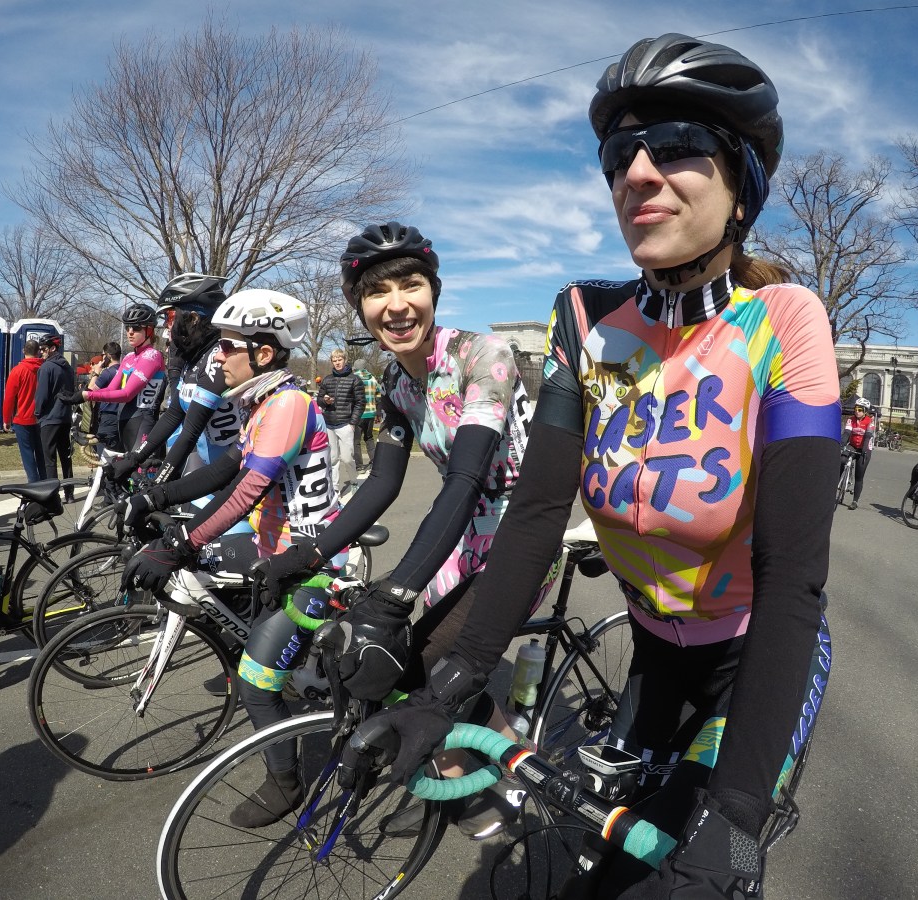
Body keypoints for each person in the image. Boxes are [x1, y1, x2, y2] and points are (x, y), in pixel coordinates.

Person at [337, 35, 840, 899]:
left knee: (708, 869)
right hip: (653, 649)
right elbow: (535, 514)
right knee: (594, 877)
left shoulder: (785, 322)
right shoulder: (583, 316)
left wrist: (741, 815)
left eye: (677, 146)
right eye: (619, 155)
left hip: (753, 664)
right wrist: (447, 687)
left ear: (742, 183)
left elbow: (793, 579)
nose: (637, 173)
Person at [255, 222, 537, 839]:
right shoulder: (393, 381)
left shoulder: (482, 355)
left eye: (411, 285)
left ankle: (504, 788)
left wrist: (397, 593)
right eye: (378, 292)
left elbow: (465, 478)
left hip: (521, 535)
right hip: (464, 535)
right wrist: (304, 554)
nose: (397, 304)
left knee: (427, 667)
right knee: (404, 662)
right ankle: (466, 762)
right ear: (360, 305)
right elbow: (381, 486)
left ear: (433, 292)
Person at [117, 288, 342, 828]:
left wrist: (179, 544)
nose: (218, 355)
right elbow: (223, 472)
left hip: (312, 563)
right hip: (277, 556)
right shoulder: (262, 400)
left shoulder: (288, 404)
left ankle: (287, 783)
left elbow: (247, 491)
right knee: (251, 645)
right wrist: (157, 497)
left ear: (264, 353)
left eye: (229, 345)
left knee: (257, 682)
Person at [106, 273, 242, 486]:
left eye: (170, 317)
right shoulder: (195, 358)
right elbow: (173, 414)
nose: (167, 326)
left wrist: (159, 484)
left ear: (194, 318)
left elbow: (190, 431)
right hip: (209, 464)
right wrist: (135, 458)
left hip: (230, 473)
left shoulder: (217, 358)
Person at [64, 304, 165, 451]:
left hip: (142, 420)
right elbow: (111, 389)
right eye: (127, 327)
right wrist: (79, 395)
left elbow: (126, 394)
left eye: (136, 328)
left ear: (149, 330)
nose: (130, 332)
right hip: (123, 419)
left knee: (138, 471)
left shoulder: (152, 356)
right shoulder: (129, 357)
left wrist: (87, 395)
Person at [33, 335, 75, 501]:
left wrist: (38, 412)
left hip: (49, 418)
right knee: (65, 457)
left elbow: (41, 395)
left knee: (49, 459)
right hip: (65, 417)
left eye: (43, 349)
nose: (41, 352)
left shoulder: (46, 368)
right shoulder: (68, 367)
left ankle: (52, 495)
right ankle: (69, 494)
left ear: (53, 348)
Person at [318, 347, 362, 493]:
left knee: (347, 458)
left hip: (346, 424)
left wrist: (353, 423)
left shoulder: (354, 379)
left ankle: (354, 481)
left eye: (340, 359)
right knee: (333, 458)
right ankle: (335, 488)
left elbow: (360, 403)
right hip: (329, 423)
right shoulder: (327, 379)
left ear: (345, 360)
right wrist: (325, 401)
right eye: (334, 360)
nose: (337, 363)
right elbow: (319, 399)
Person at [2, 339, 46, 482]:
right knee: (41, 454)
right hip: (41, 418)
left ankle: (34, 486)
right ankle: (45, 482)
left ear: (23, 351)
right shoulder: (44, 369)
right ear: (38, 351)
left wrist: (6, 419)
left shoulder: (17, 371)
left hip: (22, 418)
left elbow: (9, 398)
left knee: (28, 456)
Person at [840, 396, 875, 509]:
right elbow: (846, 433)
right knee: (842, 460)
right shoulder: (851, 419)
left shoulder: (870, 421)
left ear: (865, 411)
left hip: (865, 448)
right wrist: (841, 444)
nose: (857, 411)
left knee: (859, 475)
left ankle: (855, 501)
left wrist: (864, 450)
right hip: (853, 445)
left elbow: (868, 437)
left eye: (860, 410)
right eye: (856, 409)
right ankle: (838, 482)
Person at [92, 342, 123, 453]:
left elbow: (92, 390)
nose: (102, 358)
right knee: (118, 451)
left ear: (109, 356)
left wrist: (96, 372)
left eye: (103, 355)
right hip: (122, 415)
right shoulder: (125, 371)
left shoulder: (107, 373)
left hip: (108, 416)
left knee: (104, 451)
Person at [352, 358, 379, 471]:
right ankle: (374, 462)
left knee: (356, 441)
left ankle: (359, 466)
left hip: (358, 414)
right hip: (371, 413)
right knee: (369, 438)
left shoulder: (354, 378)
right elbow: (379, 394)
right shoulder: (372, 378)